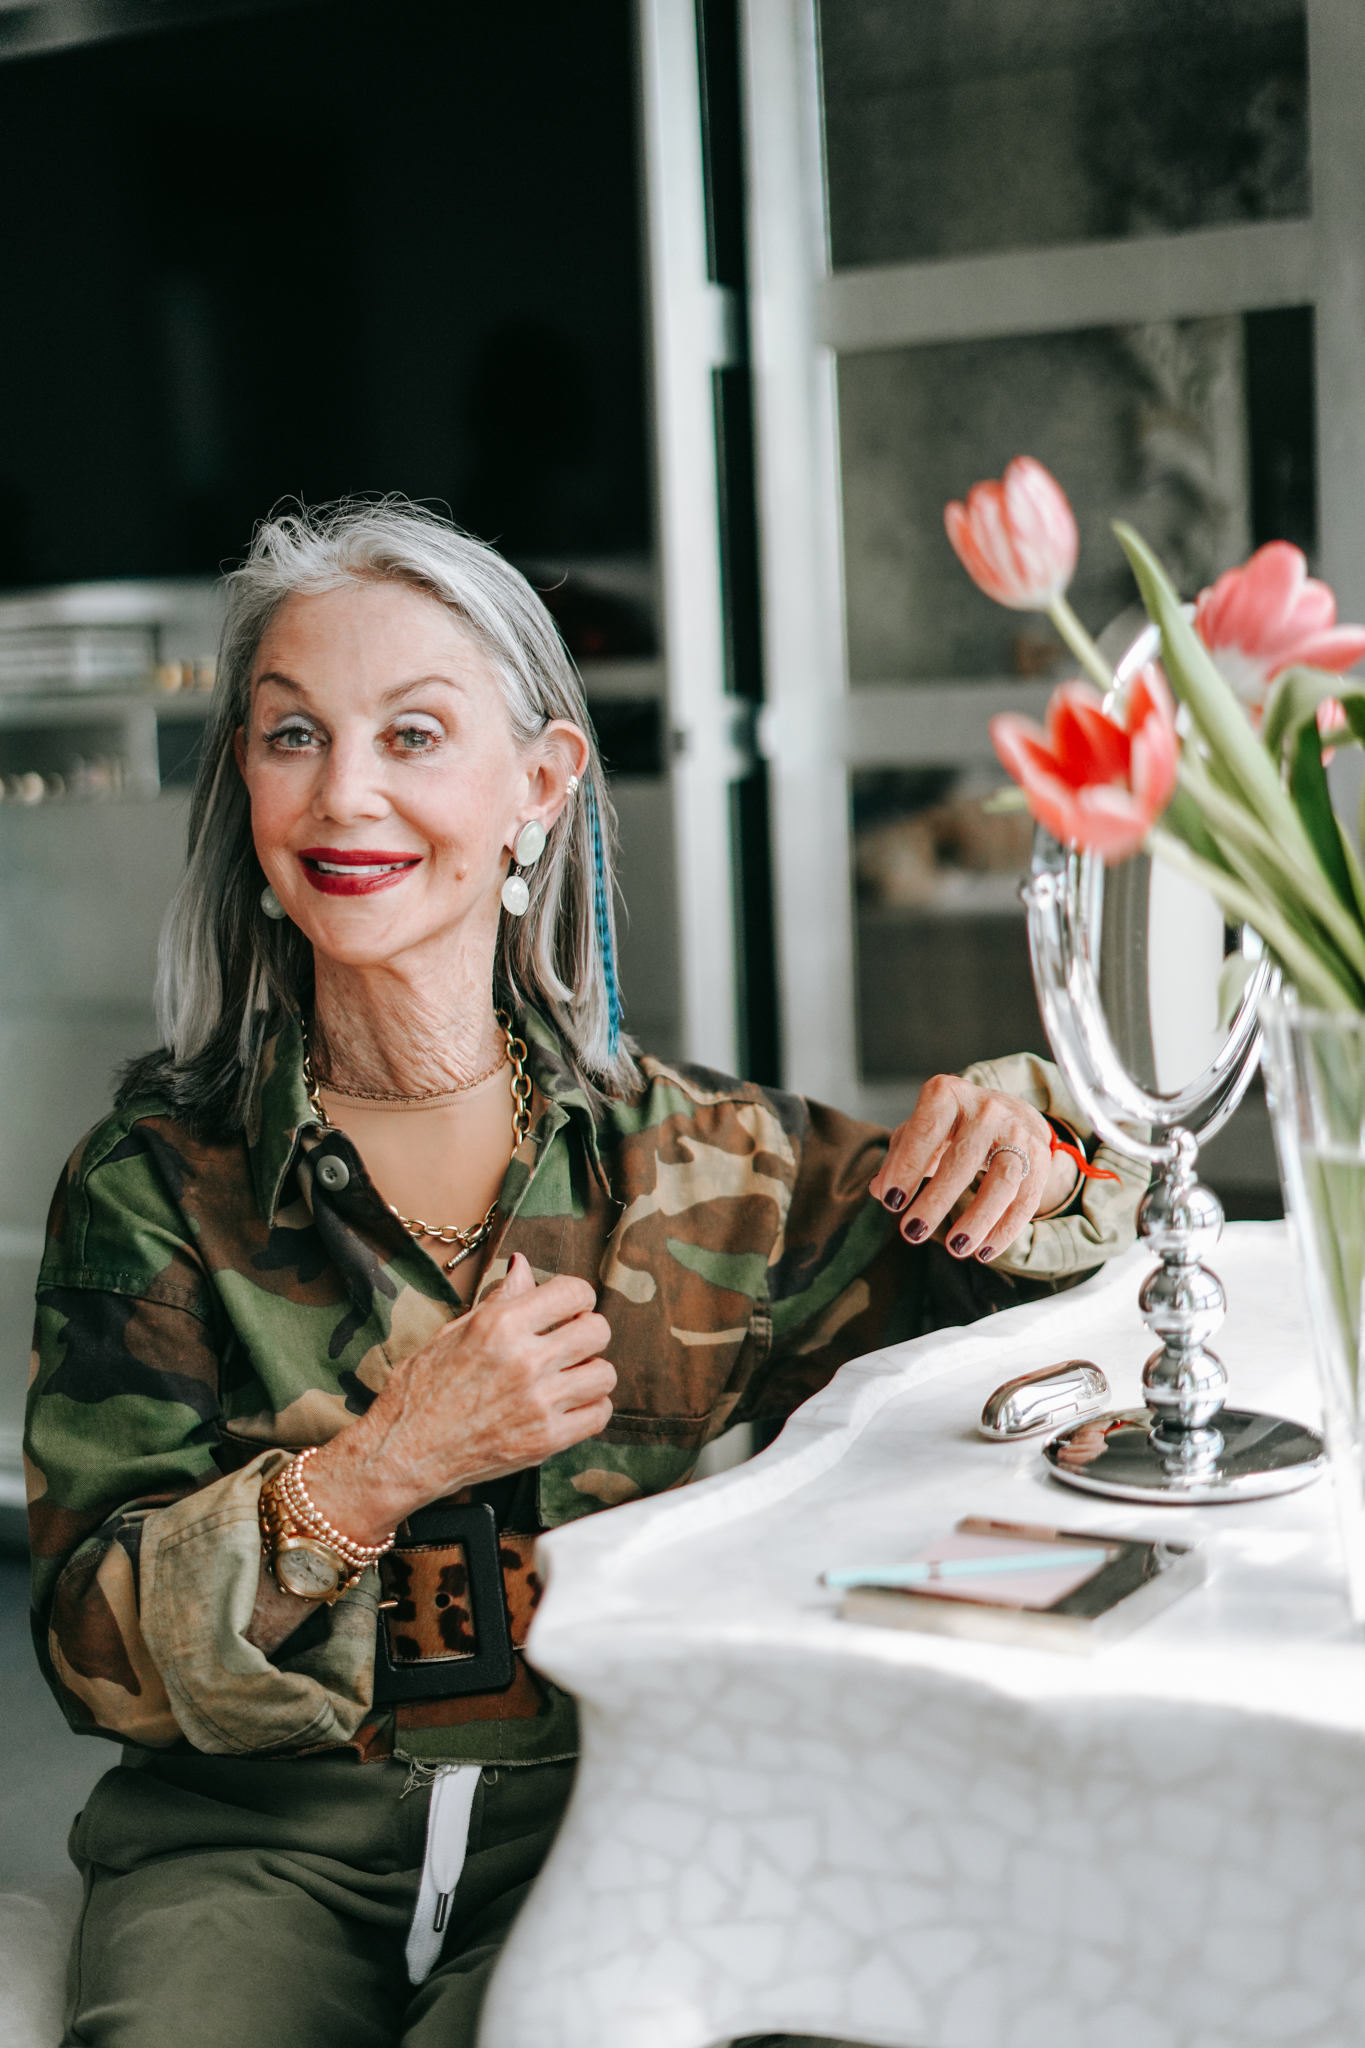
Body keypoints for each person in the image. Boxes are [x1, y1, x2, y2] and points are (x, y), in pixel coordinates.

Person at [25, 500, 1144, 2048]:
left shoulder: (708, 1163)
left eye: (415, 735)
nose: (346, 792)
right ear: (245, 779)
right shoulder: (152, 1186)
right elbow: (93, 1649)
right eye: (293, 736)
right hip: (249, 1849)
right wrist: (383, 1465)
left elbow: (1044, 1298)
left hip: (602, 1820)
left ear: (536, 786)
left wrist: (1042, 1139)